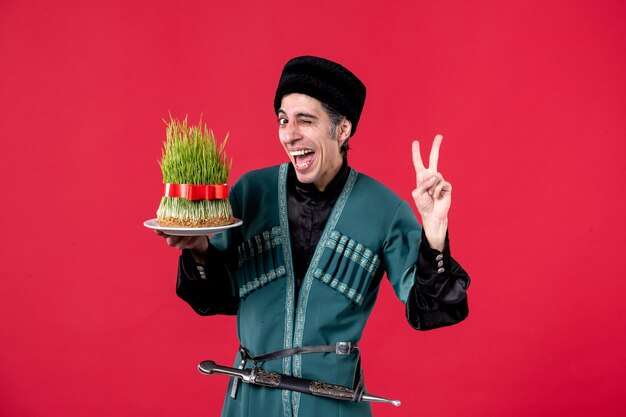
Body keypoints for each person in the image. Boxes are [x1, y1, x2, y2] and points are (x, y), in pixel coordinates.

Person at [155, 56, 470, 417]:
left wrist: (434, 231)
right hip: (251, 402)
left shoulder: (385, 210)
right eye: (284, 120)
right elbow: (215, 299)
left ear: (342, 130)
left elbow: (431, 311)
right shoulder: (249, 193)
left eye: (306, 120)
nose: (290, 134)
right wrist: (198, 251)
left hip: (334, 405)